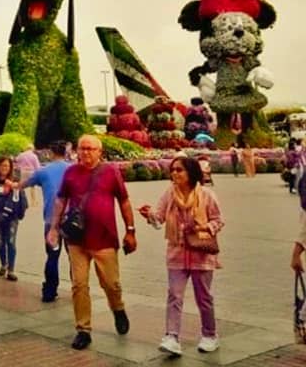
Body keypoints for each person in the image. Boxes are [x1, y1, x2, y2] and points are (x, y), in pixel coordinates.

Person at [47, 134, 136, 351]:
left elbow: (124, 201)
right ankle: (83, 330)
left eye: (90, 148)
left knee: (111, 284)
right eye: (82, 148)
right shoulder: (71, 172)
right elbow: (61, 200)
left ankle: (118, 308)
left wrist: (130, 230)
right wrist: (53, 228)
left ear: (99, 151)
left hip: (104, 238)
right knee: (79, 284)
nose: (85, 152)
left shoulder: (110, 172)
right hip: (77, 239)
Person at [138, 156, 224, 356]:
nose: (174, 173)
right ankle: (171, 337)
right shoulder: (169, 194)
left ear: (191, 173)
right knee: (174, 296)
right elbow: (159, 217)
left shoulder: (207, 195)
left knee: (204, 298)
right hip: (176, 254)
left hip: (201, 255)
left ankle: (210, 335)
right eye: (173, 170)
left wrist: (205, 226)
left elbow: (218, 220)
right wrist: (149, 214)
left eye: (179, 170)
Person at [21, 140, 70, 302]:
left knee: (52, 256)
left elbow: (24, 184)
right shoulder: (74, 169)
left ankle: (49, 291)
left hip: (51, 221)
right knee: (75, 258)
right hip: (72, 220)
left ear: (50, 153)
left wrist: (10, 185)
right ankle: (79, 289)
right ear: (65, 152)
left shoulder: (43, 171)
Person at [0, 156, 26, 282]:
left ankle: (11, 270)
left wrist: (13, 186)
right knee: (0, 242)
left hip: (11, 216)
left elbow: (21, 191)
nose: (5, 168)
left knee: (11, 242)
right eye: (2, 166)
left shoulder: (15, 179)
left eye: (7, 166)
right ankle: (4, 264)